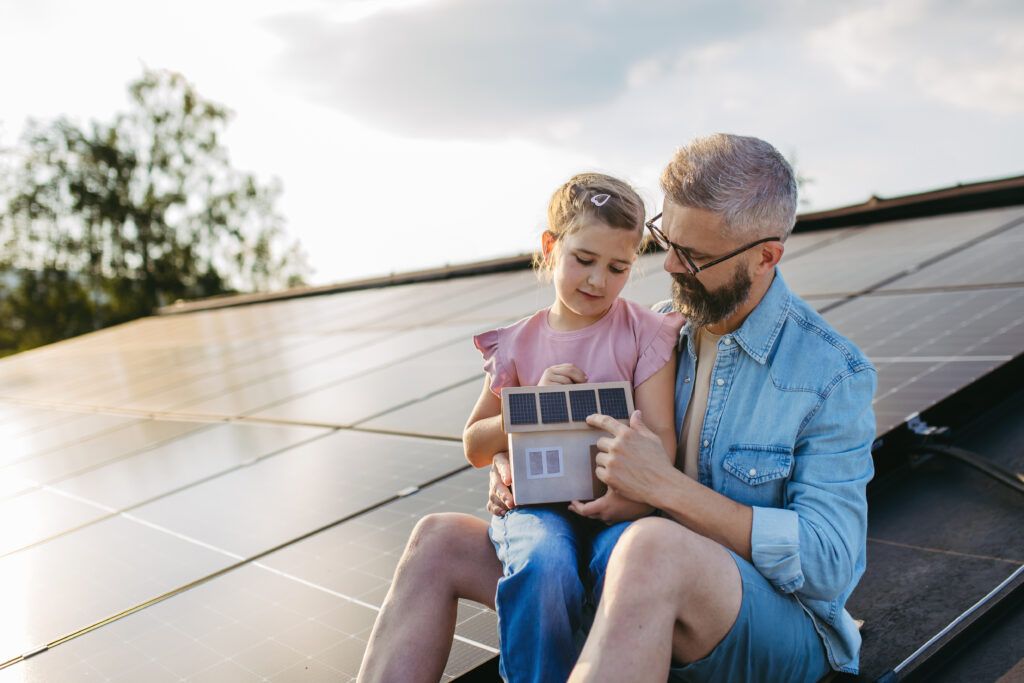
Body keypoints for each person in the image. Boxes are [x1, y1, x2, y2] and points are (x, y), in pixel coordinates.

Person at [357, 134, 875, 683]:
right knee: (438, 539)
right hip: (614, 576)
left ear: (765, 256)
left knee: (653, 547)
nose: (671, 266)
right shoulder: (652, 333)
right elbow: (509, 437)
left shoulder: (829, 374)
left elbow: (829, 566)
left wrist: (665, 487)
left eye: (694, 256)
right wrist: (520, 465)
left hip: (759, 626)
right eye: (665, 239)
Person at [465, 173, 683, 682]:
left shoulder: (645, 334)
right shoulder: (517, 344)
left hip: (619, 509)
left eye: (618, 268)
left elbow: (662, 440)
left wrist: (633, 502)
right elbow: (475, 444)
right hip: (537, 512)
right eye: (583, 260)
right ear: (550, 247)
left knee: (630, 569)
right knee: (544, 563)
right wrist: (532, 404)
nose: (597, 281)